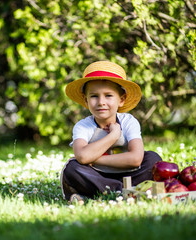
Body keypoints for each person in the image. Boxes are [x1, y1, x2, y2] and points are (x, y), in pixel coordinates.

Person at [60, 60, 162, 203]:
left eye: (108, 95)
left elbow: (135, 159)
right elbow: (82, 157)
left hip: (130, 174)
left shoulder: (128, 122)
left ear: (121, 100)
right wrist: (113, 136)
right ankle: (124, 191)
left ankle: (103, 193)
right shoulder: (83, 126)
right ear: (85, 100)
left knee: (152, 159)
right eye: (94, 96)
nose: (101, 102)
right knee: (72, 168)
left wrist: (94, 159)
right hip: (96, 176)